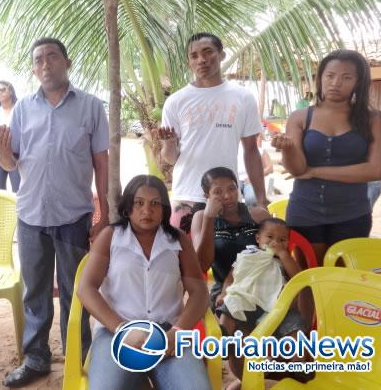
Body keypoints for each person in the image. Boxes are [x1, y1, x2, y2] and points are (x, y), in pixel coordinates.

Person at [0, 38, 109, 388]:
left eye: (52, 57)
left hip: (74, 216)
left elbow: (101, 162)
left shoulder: (90, 106)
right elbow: (12, 162)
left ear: (66, 62)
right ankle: (37, 358)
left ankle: (80, 355)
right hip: (30, 215)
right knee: (35, 291)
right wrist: (1, 154)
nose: (45, 64)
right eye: (39, 60)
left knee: (77, 291)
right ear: (33, 68)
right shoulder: (23, 108)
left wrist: (103, 211)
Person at [77, 175, 211, 390]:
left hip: (168, 334)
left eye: (155, 204)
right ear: (128, 206)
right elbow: (86, 288)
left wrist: (177, 331)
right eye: (139, 203)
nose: (146, 211)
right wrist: (122, 329)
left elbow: (199, 293)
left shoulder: (178, 240)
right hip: (116, 334)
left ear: (164, 208)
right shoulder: (110, 237)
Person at [272, 49, 381, 265]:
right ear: (320, 78)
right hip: (305, 211)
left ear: (358, 82)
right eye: (330, 75)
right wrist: (288, 149)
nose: (336, 83)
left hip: (352, 214)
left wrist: (315, 171)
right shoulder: (300, 117)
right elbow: (297, 170)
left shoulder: (373, 119)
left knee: (342, 280)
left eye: (346, 77)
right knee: (307, 278)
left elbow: (375, 170)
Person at [156, 32, 265, 233]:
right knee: (185, 261)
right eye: (194, 56)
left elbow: (251, 151)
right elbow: (171, 159)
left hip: (228, 198)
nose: (202, 60)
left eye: (208, 52)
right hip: (187, 196)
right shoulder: (176, 101)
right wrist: (169, 144)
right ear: (189, 62)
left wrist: (261, 199)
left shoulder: (242, 97)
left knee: (229, 261)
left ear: (221, 55)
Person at [216, 218, 306, 388]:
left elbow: (298, 276)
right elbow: (232, 276)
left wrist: (284, 255)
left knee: (296, 326)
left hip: (276, 307)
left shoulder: (283, 260)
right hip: (247, 300)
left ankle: (297, 363)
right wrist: (223, 292)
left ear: (288, 242)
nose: (275, 243)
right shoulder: (248, 254)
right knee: (230, 304)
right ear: (258, 238)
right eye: (270, 237)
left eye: (282, 240)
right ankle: (224, 339)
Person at [190, 167, 269, 306]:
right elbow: (202, 264)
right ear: (207, 195)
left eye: (232, 188)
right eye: (218, 192)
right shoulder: (201, 218)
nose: (227, 196)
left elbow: (274, 253)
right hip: (224, 290)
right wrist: (209, 218)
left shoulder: (258, 215)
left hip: (262, 285)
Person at [0, 80, 20, 192]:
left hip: (16, 158)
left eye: (3, 89)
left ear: (10, 91)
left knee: (18, 192)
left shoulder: (19, 109)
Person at [237, 133, 273, 206]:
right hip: (235, 179)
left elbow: (270, 168)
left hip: (251, 180)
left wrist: (255, 177)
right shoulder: (235, 148)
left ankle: (251, 215)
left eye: (258, 136)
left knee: (252, 199)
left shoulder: (261, 150)